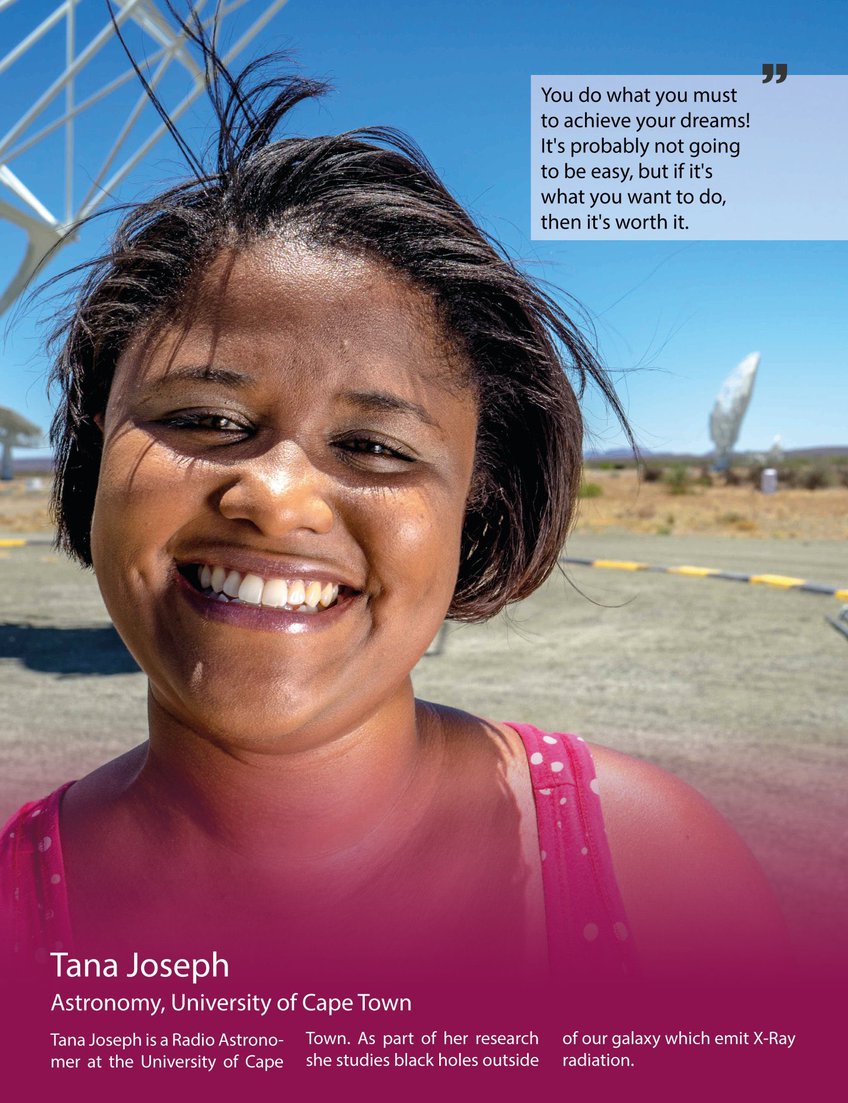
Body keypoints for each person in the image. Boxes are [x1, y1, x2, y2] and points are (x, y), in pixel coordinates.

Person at [0, 49, 786, 984]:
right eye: (204, 420)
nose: (276, 497)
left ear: (477, 500)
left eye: (375, 446)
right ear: (93, 461)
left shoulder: (660, 877)